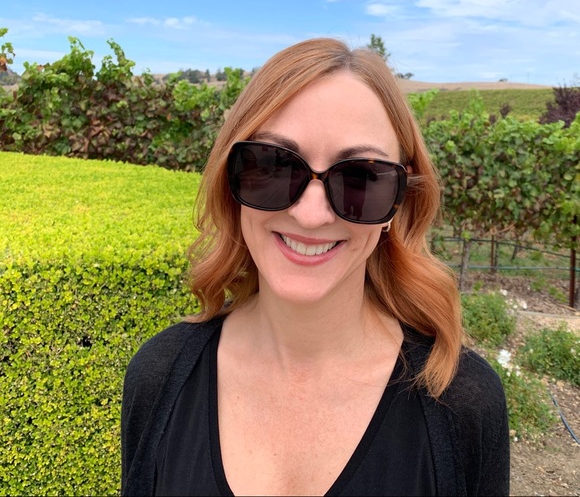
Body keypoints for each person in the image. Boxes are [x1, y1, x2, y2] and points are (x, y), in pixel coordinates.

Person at [121, 38, 510, 496]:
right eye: (273, 165)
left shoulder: (463, 402)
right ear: (231, 180)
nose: (311, 215)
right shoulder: (159, 375)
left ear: (398, 203)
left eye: (360, 177)